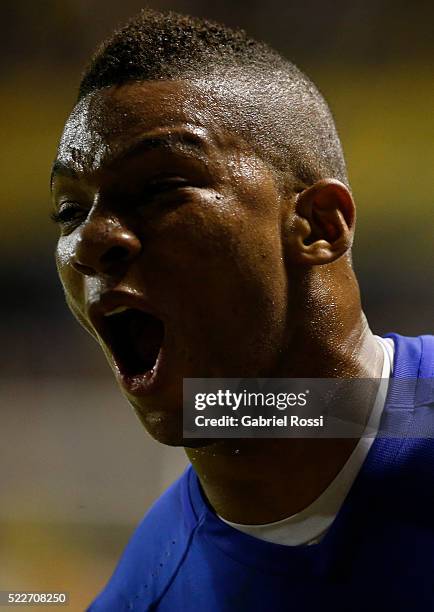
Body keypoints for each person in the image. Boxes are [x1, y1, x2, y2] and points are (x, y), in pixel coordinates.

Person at [50, 9, 434, 612]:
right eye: (69, 213)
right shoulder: (145, 596)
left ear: (318, 225)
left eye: (161, 188)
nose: (92, 240)